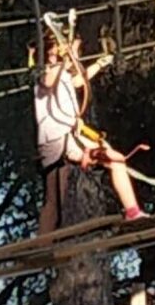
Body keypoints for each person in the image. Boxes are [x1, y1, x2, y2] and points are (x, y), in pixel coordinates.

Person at [33, 29, 145, 234]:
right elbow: (48, 81)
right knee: (54, 201)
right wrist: (66, 59)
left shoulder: (62, 73)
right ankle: (41, 243)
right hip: (58, 139)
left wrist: (100, 64)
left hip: (67, 138)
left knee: (54, 200)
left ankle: (133, 212)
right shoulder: (45, 72)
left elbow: (78, 81)